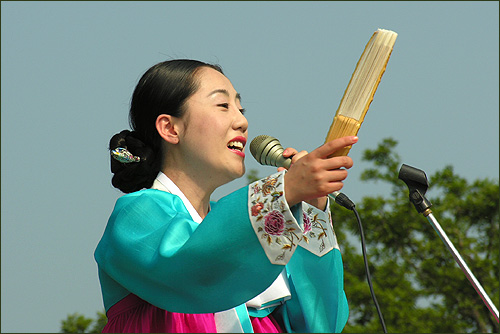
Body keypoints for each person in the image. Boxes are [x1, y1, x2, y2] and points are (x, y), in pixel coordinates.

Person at [94, 59, 357, 333]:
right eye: (223, 106)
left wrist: (311, 210)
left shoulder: (252, 236)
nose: (242, 121)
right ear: (171, 128)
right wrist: (284, 190)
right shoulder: (136, 215)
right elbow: (196, 269)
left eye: (241, 109)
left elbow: (320, 324)